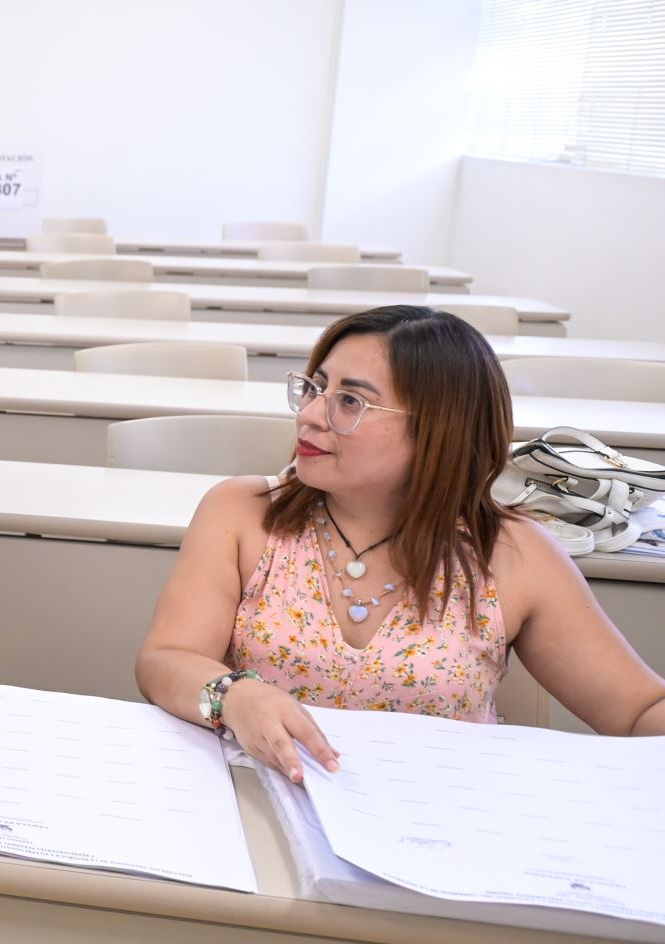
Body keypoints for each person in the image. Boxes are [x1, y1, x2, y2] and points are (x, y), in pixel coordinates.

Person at [136, 306, 665, 782]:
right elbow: (166, 659)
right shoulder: (244, 512)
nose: (312, 415)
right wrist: (232, 695)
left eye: (350, 401)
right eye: (316, 388)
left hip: (441, 827)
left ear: (438, 430)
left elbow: (639, 710)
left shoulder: (513, 554)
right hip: (261, 797)